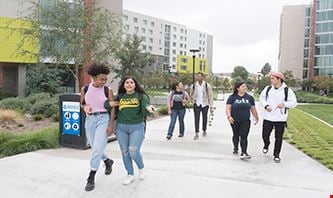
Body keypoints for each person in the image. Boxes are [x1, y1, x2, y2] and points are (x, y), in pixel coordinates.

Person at [112, 76, 154, 185]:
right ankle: (130, 174)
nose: (129, 84)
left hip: (137, 127)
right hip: (121, 128)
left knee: (133, 151)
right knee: (125, 152)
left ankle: (141, 168)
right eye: (127, 82)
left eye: (131, 82)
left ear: (135, 85)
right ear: (123, 85)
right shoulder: (120, 96)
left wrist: (149, 109)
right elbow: (108, 105)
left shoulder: (141, 96)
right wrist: (109, 104)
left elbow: (146, 108)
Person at [80, 63, 115, 192]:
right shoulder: (85, 89)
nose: (104, 82)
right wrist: (85, 108)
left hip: (103, 119)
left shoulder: (108, 90)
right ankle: (107, 161)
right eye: (101, 79)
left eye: (105, 79)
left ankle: (91, 175)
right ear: (94, 77)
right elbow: (82, 104)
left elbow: (112, 108)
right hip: (90, 120)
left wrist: (111, 125)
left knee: (96, 149)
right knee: (96, 147)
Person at [259, 71, 297, 163]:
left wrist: (284, 104)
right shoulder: (268, 89)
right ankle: (266, 145)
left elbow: (294, 103)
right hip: (268, 117)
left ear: (279, 79)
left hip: (280, 118)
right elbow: (262, 98)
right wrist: (266, 106)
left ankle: (276, 155)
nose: (271, 80)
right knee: (265, 135)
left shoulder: (287, 90)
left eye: (273, 78)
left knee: (278, 138)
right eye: (271, 78)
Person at [226, 82, 259, 160]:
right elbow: (228, 108)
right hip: (234, 120)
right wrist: (229, 116)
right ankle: (235, 147)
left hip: (245, 120)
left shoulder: (249, 97)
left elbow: (253, 109)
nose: (245, 87)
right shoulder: (232, 97)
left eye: (245, 86)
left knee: (244, 136)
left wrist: (256, 117)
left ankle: (244, 152)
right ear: (238, 88)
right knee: (236, 135)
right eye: (243, 86)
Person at [190, 72, 214, 140]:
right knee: (196, 118)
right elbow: (191, 94)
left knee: (204, 118)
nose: (198, 77)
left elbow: (210, 96)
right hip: (196, 104)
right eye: (197, 76)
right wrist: (191, 101)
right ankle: (196, 133)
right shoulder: (194, 86)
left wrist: (211, 105)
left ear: (202, 77)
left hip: (205, 104)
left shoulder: (207, 85)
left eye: (200, 76)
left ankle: (204, 130)